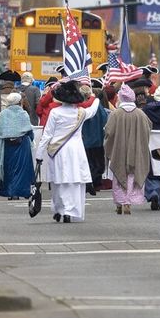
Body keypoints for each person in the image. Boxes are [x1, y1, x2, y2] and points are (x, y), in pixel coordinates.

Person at [34, 80, 101, 223]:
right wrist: (95, 97)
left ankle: (60, 209)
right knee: (75, 182)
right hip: (76, 150)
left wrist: (39, 155)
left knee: (59, 181)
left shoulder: (55, 112)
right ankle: (71, 211)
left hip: (58, 151)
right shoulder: (81, 113)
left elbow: (47, 135)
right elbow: (93, 110)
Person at [103, 85, 152, 215]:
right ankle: (129, 202)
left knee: (118, 176)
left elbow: (108, 132)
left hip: (118, 150)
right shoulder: (141, 114)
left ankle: (120, 203)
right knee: (132, 175)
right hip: (136, 150)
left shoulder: (115, 114)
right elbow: (148, 129)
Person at [0, 91, 35, 201]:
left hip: (8, 145)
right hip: (22, 144)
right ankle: (21, 191)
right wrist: (32, 139)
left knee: (9, 168)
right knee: (22, 169)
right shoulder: (23, 113)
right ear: (18, 102)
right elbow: (28, 130)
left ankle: (10, 192)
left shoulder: (3, 114)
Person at [80, 85, 109, 197]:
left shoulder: (79, 107)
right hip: (97, 138)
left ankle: (88, 181)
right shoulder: (97, 107)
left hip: (84, 139)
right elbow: (104, 120)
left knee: (87, 162)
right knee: (97, 163)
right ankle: (94, 182)